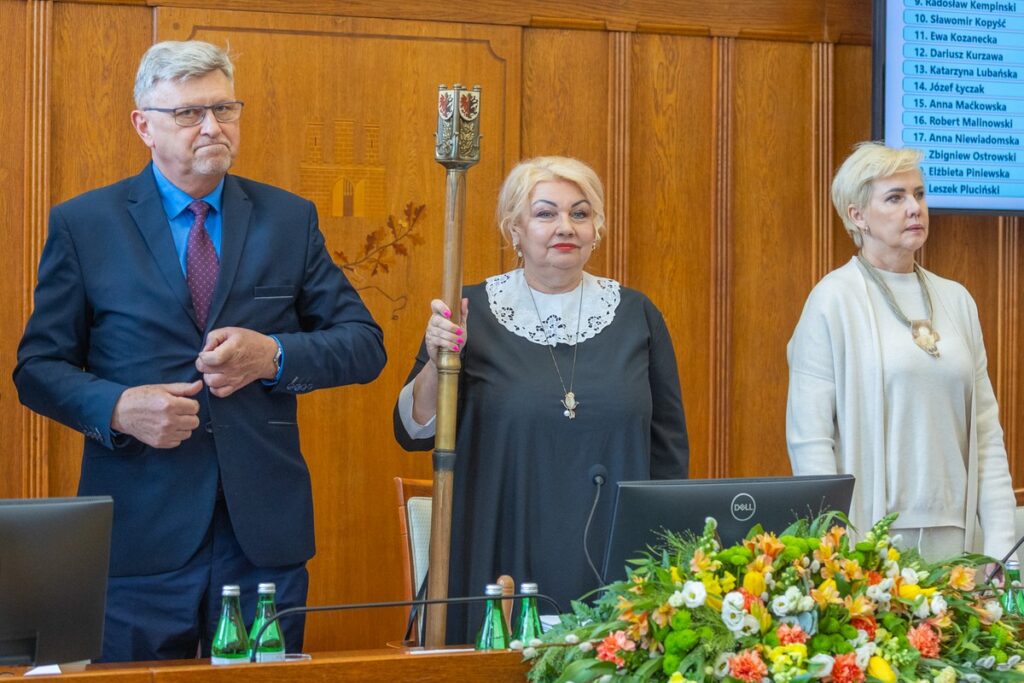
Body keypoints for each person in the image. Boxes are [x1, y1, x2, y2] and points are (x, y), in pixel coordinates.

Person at [13, 40, 386, 661]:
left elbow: (363, 345)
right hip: (140, 537)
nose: (213, 127)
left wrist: (275, 355)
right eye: (190, 113)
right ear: (144, 125)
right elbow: (36, 370)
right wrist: (117, 407)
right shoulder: (85, 224)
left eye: (224, 109)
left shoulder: (288, 219)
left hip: (263, 539)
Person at [393, 156, 689, 643]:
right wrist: (437, 357)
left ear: (598, 228)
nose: (564, 227)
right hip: (499, 548)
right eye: (546, 213)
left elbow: (669, 452)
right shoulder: (473, 310)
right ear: (515, 228)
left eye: (580, 213)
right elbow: (413, 429)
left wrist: (663, 563)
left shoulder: (638, 315)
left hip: (616, 560)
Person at [786, 141, 1015, 562]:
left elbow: (986, 437)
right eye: (895, 197)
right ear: (858, 216)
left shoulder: (957, 300)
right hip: (869, 543)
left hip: (957, 541)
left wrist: (1005, 555)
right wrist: (835, 552)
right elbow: (811, 441)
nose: (915, 208)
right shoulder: (832, 300)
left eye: (919, 194)